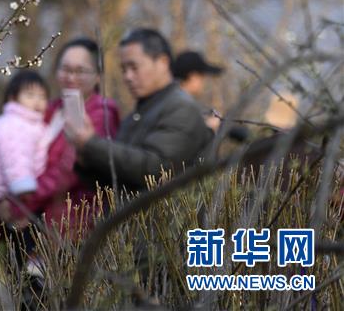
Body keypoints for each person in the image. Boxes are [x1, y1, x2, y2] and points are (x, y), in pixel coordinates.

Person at [64, 28, 213, 193]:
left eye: (134, 67)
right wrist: (85, 159)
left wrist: (91, 144)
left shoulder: (182, 108)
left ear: (163, 63)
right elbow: (118, 181)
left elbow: (156, 169)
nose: (127, 76)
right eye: (123, 69)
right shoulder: (136, 115)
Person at [23, 38, 120, 236]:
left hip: (73, 221)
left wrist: (24, 202)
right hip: (34, 215)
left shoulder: (102, 112)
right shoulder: (51, 108)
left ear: (98, 77)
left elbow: (69, 170)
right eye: (65, 69)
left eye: (80, 71)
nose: (71, 77)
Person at [0, 70, 59, 274]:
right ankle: (31, 265)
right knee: (23, 229)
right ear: (13, 98)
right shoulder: (13, 124)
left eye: (42, 96)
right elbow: (16, 160)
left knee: (23, 231)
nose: (37, 102)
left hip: (13, 190)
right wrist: (24, 188)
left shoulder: (30, 123)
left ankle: (25, 267)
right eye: (30, 96)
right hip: (11, 191)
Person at [173, 50, 249, 142]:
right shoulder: (180, 105)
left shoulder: (172, 99)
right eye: (202, 76)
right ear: (193, 76)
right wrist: (208, 129)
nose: (203, 81)